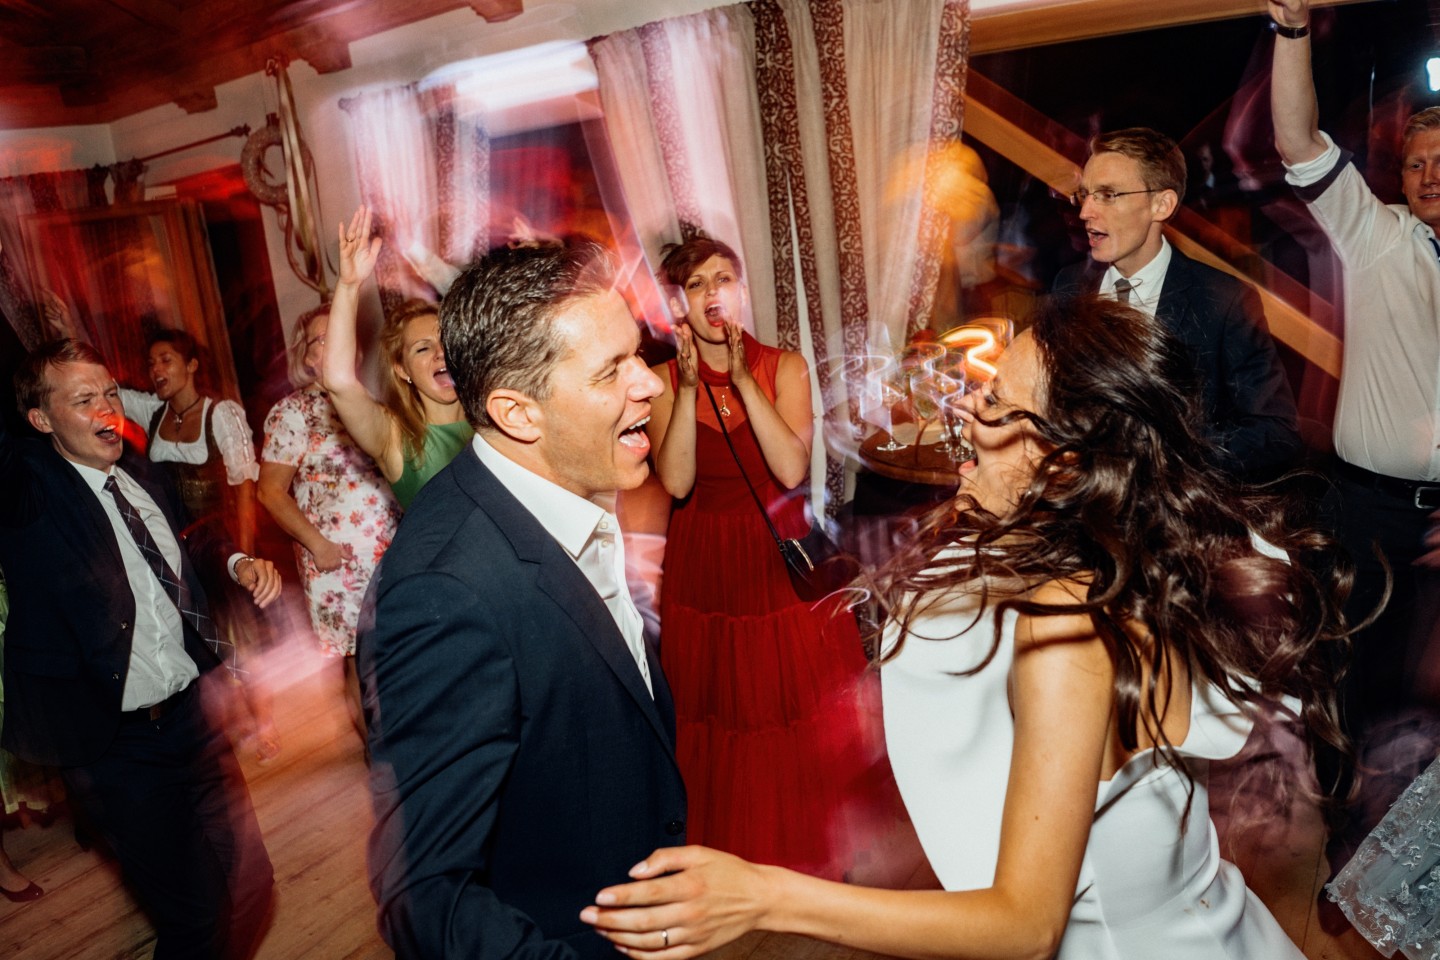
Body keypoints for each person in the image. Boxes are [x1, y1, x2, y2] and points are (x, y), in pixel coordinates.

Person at [581, 295, 1352, 960]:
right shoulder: (1142, 554)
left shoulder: (1068, 625)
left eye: (994, 403)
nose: (966, 413)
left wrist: (763, 895)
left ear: (1062, 462)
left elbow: (1026, 925)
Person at [358, 243, 687, 959]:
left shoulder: (566, 495)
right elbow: (427, 898)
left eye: (638, 355)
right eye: (611, 370)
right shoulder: (445, 594)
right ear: (517, 412)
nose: (650, 385)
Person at [0, 338, 281, 959]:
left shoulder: (140, 469)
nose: (106, 409)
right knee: (195, 917)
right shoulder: (31, 491)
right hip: (116, 746)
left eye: (109, 392)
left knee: (253, 885)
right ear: (41, 421)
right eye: (83, 400)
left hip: (195, 721)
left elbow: (189, 539)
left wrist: (235, 561)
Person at [645, 235, 881, 877]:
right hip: (704, 557)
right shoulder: (661, 381)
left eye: (722, 278)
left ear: (742, 291)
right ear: (680, 303)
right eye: (696, 284)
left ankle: (807, 847)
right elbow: (677, 483)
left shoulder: (784, 367)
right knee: (722, 709)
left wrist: (744, 380)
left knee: (789, 704)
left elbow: (789, 469)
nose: (712, 293)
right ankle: (732, 851)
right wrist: (688, 389)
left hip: (777, 552)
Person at [1269, 0, 1440, 856]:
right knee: (1351, 685)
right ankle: (1348, 845)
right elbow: (1297, 140)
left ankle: (1417, 856)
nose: (1428, 174)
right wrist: (1293, 31)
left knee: (1425, 701)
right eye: (1415, 163)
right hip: (1366, 513)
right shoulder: (1376, 237)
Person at [1053, 127, 1301, 482]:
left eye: (1107, 195)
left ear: (1162, 205)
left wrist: (1170, 458)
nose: (1085, 212)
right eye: (1085, 194)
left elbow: (1275, 432)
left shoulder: (1222, 299)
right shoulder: (1068, 286)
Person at [121, 329, 277, 761]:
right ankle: (229, 724)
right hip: (174, 547)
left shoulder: (219, 414)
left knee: (240, 635)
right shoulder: (152, 411)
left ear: (191, 365)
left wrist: (243, 550)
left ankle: (263, 721)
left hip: (219, 540)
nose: (156, 370)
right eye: (151, 363)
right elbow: (109, 392)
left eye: (166, 360)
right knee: (200, 637)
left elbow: (244, 486)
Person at [258, 304, 401, 748]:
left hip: (393, 553)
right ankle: (381, 757)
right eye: (320, 338)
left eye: (338, 334)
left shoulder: (370, 404)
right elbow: (270, 492)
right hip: (337, 564)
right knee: (360, 663)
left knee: (397, 653)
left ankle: (412, 745)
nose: (333, 343)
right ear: (307, 356)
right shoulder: (292, 413)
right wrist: (317, 545)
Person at [322, 206, 472, 509]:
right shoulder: (395, 438)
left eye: (444, 342)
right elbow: (338, 381)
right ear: (402, 370)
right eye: (422, 348)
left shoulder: (493, 419)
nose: (439, 353)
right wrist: (349, 286)